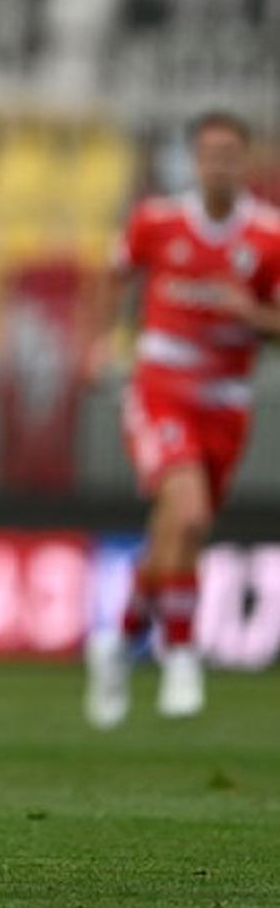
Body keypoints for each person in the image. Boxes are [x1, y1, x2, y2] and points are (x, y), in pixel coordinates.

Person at [83, 111, 280, 728]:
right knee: (189, 514)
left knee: (176, 530)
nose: (218, 164)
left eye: (230, 153)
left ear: (245, 162)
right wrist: (99, 343)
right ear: (195, 161)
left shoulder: (269, 238)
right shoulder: (157, 221)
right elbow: (114, 278)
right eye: (208, 153)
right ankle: (182, 653)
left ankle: (116, 642)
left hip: (226, 398)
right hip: (161, 384)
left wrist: (251, 313)